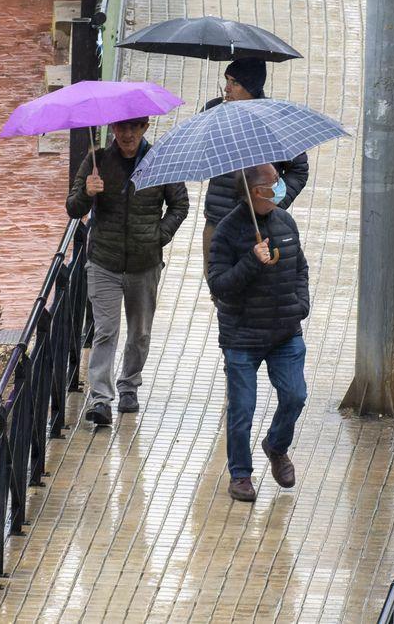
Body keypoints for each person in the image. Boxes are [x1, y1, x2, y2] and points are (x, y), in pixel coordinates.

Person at [66, 117, 189, 425]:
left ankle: (129, 386)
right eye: (122, 128)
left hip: (144, 263)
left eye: (134, 128)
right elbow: (73, 208)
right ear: (114, 130)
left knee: (140, 332)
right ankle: (101, 398)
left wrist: (158, 236)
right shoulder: (97, 160)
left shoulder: (161, 160)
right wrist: (87, 194)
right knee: (106, 329)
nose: (128, 134)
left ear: (145, 128)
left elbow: (180, 205)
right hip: (103, 261)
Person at [207, 163, 310, 502]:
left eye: (279, 181)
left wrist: (300, 304)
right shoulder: (227, 231)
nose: (279, 188)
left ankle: (276, 446)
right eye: (272, 184)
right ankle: (240, 475)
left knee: (294, 395)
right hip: (242, 337)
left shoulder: (285, 221)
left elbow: (300, 267)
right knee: (242, 408)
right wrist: (251, 260)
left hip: (284, 332)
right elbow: (219, 285)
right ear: (254, 192)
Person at [201, 58, 309, 287]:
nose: (227, 88)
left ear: (251, 88)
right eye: (227, 81)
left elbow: (298, 170)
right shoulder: (213, 113)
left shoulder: (276, 119)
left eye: (236, 83)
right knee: (221, 291)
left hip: (259, 225)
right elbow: (200, 154)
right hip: (218, 221)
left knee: (259, 292)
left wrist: (275, 202)